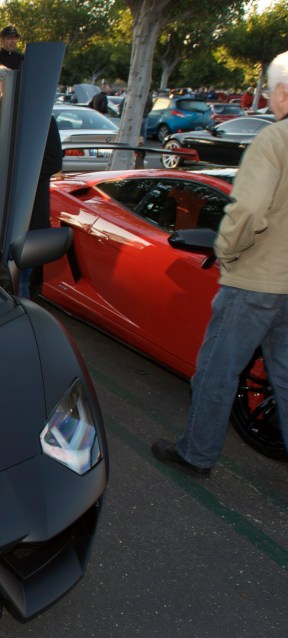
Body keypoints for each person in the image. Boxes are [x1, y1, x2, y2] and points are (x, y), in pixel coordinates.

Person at [152, 51, 288, 479]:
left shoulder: (274, 139)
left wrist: (227, 250)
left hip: (256, 280)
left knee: (216, 371)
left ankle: (196, 453)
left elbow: (248, 208)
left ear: (282, 91)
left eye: (269, 91)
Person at [0, 66, 61, 296]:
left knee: (20, 287)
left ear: (13, 92)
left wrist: (10, 176)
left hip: (26, 219)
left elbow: (53, 162)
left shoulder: (39, 121)